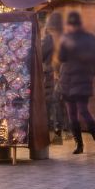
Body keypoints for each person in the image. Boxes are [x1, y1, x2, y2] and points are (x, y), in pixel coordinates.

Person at [56, 11, 95, 155]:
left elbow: (62, 58)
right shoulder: (88, 38)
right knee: (79, 112)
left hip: (73, 80)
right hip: (77, 79)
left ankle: (85, 145)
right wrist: (90, 75)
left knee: (78, 113)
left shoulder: (70, 38)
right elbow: (94, 59)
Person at [41, 12, 65, 144]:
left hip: (50, 75)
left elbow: (40, 54)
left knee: (50, 103)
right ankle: (58, 131)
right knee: (57, 103)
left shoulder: (48, 39)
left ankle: (53, 132)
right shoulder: (63, 38)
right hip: (61, 74)